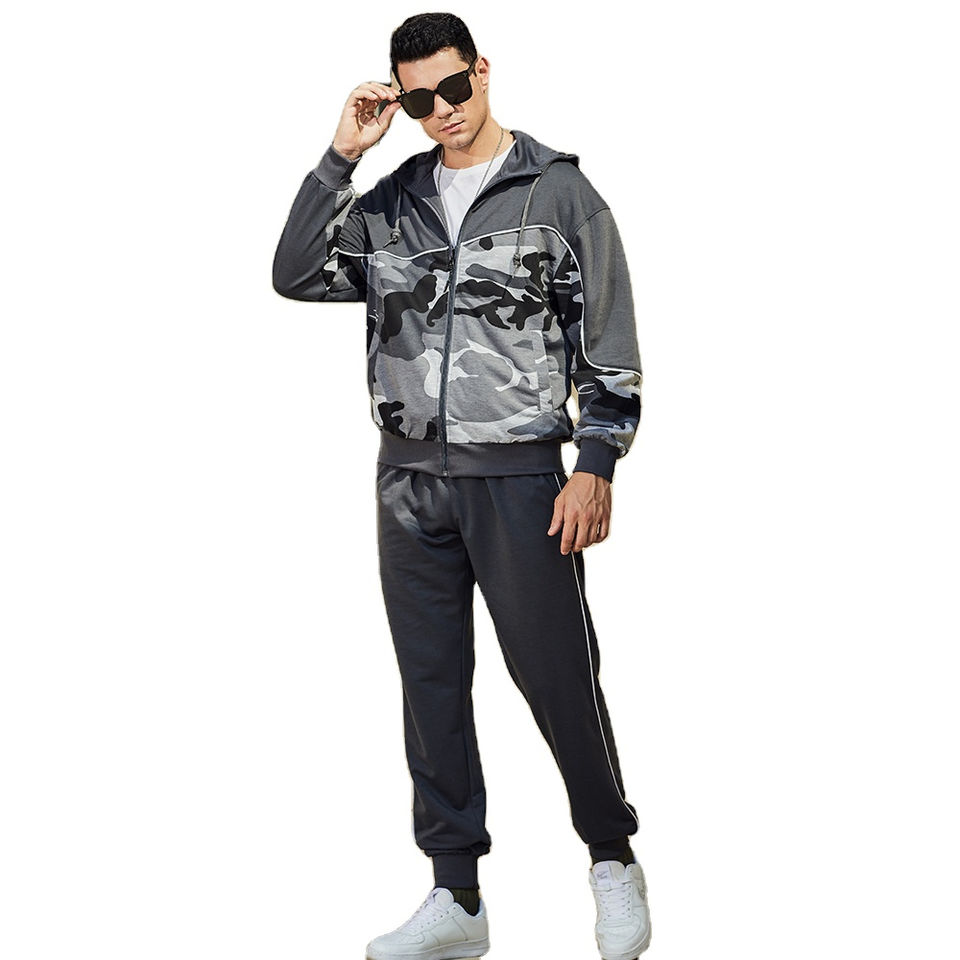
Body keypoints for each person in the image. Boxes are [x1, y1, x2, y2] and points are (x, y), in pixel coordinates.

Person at [272, 12, 651, 960]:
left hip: (519, 480)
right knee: (431, 685)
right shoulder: (391, 202)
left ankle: (611, 857)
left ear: (482, 71)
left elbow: (610, 350)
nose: (441, 110)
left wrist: (595, 465)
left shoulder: (559, 194)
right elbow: (296, 274)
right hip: (407, 483)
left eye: (453, 87)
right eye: (418, 100)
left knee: (557, 678)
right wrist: (340, 157)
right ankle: (458, 896)